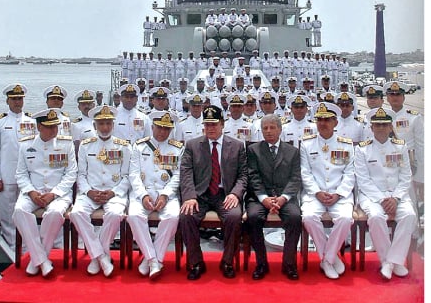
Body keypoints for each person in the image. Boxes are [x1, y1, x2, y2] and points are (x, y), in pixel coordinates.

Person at [179, 105, 248, 280]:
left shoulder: (237, 146)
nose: (210, 128)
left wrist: (235, 194)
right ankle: (196, 262)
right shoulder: (192, 145)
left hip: (225, 195)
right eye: (207, 124)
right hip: (200, 196)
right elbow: (185, 172)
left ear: (222, 124)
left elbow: (243, 175)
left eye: (214, 124)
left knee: (234, 216)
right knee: (187, 216)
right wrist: (189, 197)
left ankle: (227, 261)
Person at [12, 108, 77, 277]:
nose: (54, 130)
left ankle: (36, 259)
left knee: (55, 213)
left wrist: (54, 194)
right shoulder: (26, 145)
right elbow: (21, 173)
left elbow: (71, 173)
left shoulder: (66, 144)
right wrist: (31, 192)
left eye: (56, 126)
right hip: (33, 192)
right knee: (19, 211)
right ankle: (42, 260)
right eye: (49, 127)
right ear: (39, 127)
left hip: (58, 194)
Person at [354, 107, 417, 280]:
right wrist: (382, 199)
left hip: (397, 195)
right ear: (371, 128)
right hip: (372, 196)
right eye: (377, 125)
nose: (380, 128)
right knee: (375, 217)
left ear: (390, 127)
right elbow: (363, 180)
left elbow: (406, 176)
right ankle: (387, 261)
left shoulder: (400, 147)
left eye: (384, 124)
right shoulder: (362, 149)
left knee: (409, 215)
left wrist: (395, 198)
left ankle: (391, 261)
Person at [71, 105, 131, 277]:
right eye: (101, 123)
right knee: (76, 213)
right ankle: (101, 256)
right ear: (95, 125)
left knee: (115, 213)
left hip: (114, 193)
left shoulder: (124, 147)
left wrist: (113, 192)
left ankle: (96, 257)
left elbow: (127, 176)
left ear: (113, 125)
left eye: (108, 123)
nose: (105, 127)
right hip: (90, 192)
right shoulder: (85, 146)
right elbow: (80, 175)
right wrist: (89, 192)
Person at [299, 101, 355, 280]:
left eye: (328, 120)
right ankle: (330, 258)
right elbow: (305, 173)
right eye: (319, 120)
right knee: (308, 217)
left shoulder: (346, 145)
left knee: (346, 218)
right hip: (315, 195)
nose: (323, 123)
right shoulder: (307, 144)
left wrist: (338, 193)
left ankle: (327, 258)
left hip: (340, 195)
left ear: (336, 123)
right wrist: (317, 192)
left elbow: (350, 173)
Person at [244, 114, 302, 280]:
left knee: (295, 217)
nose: (268, 131)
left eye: (272, 127)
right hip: (259, 197)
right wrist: (264, 198)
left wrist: (283, 198)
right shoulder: (253, 150)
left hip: (285, 196)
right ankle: (261, 263)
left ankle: (289, 264)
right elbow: (253, 176)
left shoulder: (293, 151)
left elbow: (295, 178)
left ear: (280, 129)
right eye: (265, 128)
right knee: (253, 217)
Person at [127, 111, 185, 280]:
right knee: (134, 216)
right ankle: (154, 260)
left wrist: (165, 195)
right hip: (142, 193)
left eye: (166, 129)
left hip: (167, 195)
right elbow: (133, 174)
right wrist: (143, 195)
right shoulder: (139, 146)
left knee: (173, 217)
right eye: (159, 128)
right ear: (152, 127)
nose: (162, 132)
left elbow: (178, 176)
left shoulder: (178, 148)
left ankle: (150, 260)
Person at [0, 83, 37, 246]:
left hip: (28, 176)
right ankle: (11, 245)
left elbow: (36, 150)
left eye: (20, 99)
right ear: (7, 101)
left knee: (27, 212)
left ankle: (28, 245)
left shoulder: (31, 120)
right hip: (7, 175)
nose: (17, 102)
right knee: (8, 214)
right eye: (14, 99)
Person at [384, 81, 424, 201]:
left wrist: (421, 176)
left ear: (403, 97)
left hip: (409, 163)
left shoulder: (414, 117)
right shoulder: (382, 116)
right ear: (387, 98)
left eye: (398, 95)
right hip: (386, 163)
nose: (395, 98)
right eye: (392, 95)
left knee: (410, 197)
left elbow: (421, 145)